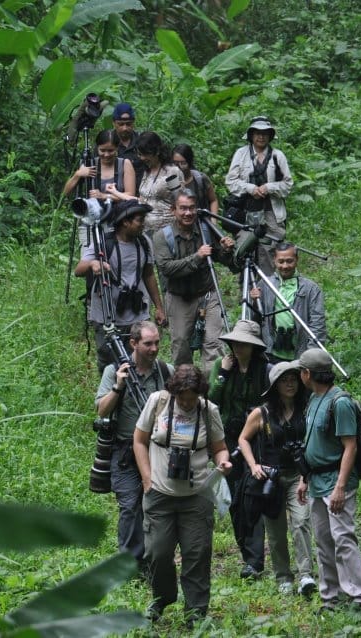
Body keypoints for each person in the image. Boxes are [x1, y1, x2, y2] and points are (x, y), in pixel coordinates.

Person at [133, 364, 233, 624]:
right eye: (183, 398)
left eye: (192, 398)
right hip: (159, 494)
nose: (187, 403)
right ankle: (163, 597)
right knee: (157, 553)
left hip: (197, 495)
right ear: (174, 392)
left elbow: (220, 448)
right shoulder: (158, 402)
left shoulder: (209, 410)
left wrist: (223, 462)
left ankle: (195, 612)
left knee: (197, 554)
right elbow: (139, 440)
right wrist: (146, 478)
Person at [296, 349, 361, 612]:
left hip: (337, 481)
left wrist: (340, 487)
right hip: (316, 481)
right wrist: (304, 478)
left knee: (343, 539)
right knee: (323, 541)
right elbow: (312, 442)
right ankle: (331, 598)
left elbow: (350, 447)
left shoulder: (340, 403)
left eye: (301, 371)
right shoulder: (314, 399)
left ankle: (360, 598)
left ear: (307, 374)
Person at [94, 321, 172, 568]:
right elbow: (101, 410)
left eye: (157, 343)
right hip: (125, 449)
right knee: (129, 505)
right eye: (148, 343)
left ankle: (154, 558)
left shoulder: (165, 371)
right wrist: (118, 386)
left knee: (156, 505)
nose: (154, 348)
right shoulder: (114, 370)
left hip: (157, 449)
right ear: (133, 343)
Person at [237, 359, 316, 596]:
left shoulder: (306, 409)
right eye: (284, 381)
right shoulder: (262, 413)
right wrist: (253, 465)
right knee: (276, 530)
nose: (290, 384)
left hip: (298, 476)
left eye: (293, 380)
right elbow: (243, 439)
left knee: (301, 522)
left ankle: (306, 575)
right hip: (271, 479)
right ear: (275, 386)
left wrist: (306, 474)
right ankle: (283, 576)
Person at [208, 319, 271, 579]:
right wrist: (223, 374)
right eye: (235, 343)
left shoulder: (265, 369)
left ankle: (255, 561)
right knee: (235, 498)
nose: (238, 347)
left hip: (256, 440)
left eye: (243, 344)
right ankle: (247, 554)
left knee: (252, 495)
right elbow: (211, 400)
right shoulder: (221, 365)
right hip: (228, 439)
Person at [75, 200, 166, 372]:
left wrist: (159, 307)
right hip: (107, 313)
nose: (143, 224)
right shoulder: (103, 243)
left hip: (137, 311)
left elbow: (149, 275)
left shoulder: (144, 242)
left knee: (141, 358)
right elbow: (78, 270)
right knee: (109, 360)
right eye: (139, 220)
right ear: (125, 222)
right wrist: (93, 264)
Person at [152, 189, 236, 374]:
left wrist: (226, 250)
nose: (188, 213)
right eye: (183, 208)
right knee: (181, 345)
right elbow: (167, 269)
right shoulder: (162, 237)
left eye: (192, 208)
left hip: (208, 294)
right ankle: (187, 386)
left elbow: (223, 259)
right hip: (179, 297)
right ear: (173, 210)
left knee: (214, 344)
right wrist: (197, 257)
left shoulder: (206, 230)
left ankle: (213, 386)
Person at [225, 116, 294, 272]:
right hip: (245, 211)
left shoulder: (278, 156)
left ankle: (269, 283)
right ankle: (247, 284)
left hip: (272, 213)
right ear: (251, 135)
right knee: (244, 249)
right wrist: (250, 188)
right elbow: (230, 181)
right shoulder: (241, 154)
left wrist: (269, 187)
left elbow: (287, 184)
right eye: (257, 133)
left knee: (271, 249)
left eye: (265, 133)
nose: (261, 137)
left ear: (270, 136)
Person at [249, 241, 327, 361]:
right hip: (269, 354)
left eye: (289, 261)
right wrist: (254, 302)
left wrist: (310, 356)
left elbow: (318, 325)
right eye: (281, 261)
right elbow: (254, 322)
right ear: (274, 260)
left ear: (297, 260)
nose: (285, 266)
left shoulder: (311, 288)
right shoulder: (265, 284)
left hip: (300, 355)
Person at [129, 131, 183, 234]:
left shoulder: (171, 172)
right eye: (140, 154)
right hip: (145, 231)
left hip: (167, 230)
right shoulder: (146, 172)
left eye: (146, 154)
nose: (142, 158)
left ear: (157, 151)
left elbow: (180, 200)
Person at [62, 129, 137, 201]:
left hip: (121, 208)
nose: (106, 155)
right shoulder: (90, 164)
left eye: (110, 151)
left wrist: (103, 196)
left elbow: (130, 196)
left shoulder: (125, 164)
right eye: (102, 150)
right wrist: (77, 175)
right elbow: (65, 194)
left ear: (117, 148)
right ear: (97, 148)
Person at [173, 143, 219, 215]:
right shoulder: (171, 181)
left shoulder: (200, 179)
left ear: (190, 162)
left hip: (199, 219)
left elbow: (213, 200)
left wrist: (213, 218)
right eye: (176, 163)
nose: (179, 167)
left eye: (183, 163)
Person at [111, 102, 142, 184]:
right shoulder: (106, 142)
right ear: (113, 123)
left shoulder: (141, 141)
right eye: (120, 124)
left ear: (133, 122)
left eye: (128, 124)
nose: (125, 128)